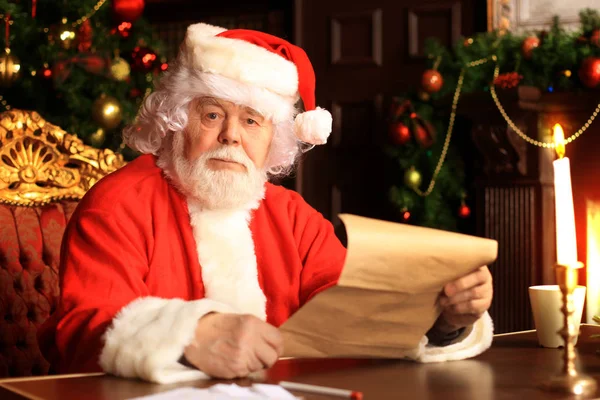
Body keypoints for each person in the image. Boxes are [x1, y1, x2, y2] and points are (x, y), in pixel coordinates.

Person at [38, 23, 494, 384]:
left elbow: (352, 314)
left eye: (252, 120)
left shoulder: (292, 215)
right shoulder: (118, 203)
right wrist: (188, 335)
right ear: (177, 120)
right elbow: (82, 329)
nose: (231, 135)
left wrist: (441, 319)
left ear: (272, 140)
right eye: (213, 114)